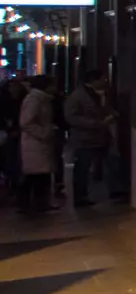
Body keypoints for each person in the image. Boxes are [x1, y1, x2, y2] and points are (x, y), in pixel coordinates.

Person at [64, 70, 116, 207]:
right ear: (93, 80)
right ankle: (80, 196)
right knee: (82, 167)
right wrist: (95, 123)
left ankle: (116, 189)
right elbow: (71, 117)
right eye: (103, 79)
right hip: (85, 138)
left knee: (111, 161)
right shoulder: (78, 96)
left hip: (101, 136)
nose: (106, 81)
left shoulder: (101, 94)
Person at [16, 76, 59, 213]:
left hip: (39, 142)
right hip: (35, 142)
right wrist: (45, 132)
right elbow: (26, 122)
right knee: (35, 174)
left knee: (40, 174)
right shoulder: (34, 100)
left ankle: (39, 203)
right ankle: (31, 204)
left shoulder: (42, 99)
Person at [0, 77, 24, 194]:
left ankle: (13, 182)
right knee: (8, 158)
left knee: (13, 159)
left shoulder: (21, 101)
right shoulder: (6, 102)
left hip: (14, 134)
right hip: (7, 134)